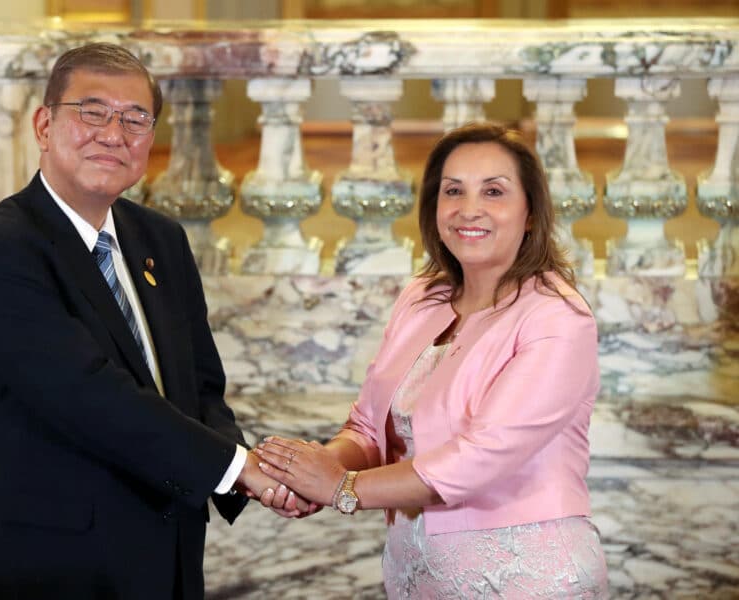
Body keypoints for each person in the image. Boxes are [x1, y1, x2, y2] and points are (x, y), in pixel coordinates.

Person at [0, 43, 291, 598]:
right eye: (92, 112)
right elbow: (88, 397)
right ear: (43, 124)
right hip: (53, 568)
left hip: (167, 560)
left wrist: (249, 473)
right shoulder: (0, 249)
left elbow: (201, 387)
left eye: (136, 118)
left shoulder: (162, 239)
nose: (114, 134)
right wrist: (236, 468)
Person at [255, 123, 609, 598]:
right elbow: (366, 426)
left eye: (494, 191)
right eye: (453, 191)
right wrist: (310, 471)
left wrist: (340, 487)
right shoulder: (424, 296)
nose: (469, 209)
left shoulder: (558, 317)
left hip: (526, 575)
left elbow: (479, 458)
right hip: (416, 574)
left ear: (530, 213)